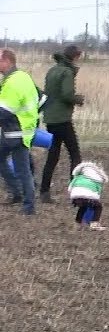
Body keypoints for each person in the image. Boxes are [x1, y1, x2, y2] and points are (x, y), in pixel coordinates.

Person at [39, 45, 85, 203]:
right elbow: (67, 94)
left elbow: (48, 93)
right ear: (75, 57)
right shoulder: (67, 72)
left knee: (53, 156)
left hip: (50, 118)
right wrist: (78, 99)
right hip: (62, 119)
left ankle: (44, 191)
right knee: (75, 155)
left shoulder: (52, 70)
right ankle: (76, 193)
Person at [0, 48, 39, 215]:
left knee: (23, 170)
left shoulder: (12, 82)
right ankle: (17, 194)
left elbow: (4, 111)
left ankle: (28, 206)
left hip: (16, 132)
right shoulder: (23, 77)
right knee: (20, 167)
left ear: (7, 61)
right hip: (22, 130)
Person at [67, 161, 108, 231]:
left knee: (82, 207)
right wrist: (96, 199)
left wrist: (72, 195)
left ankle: (77, 224)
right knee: (98, 207)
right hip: (89, 195)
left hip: (76, 194)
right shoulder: (98, 178)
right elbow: (98, 191)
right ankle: (94, 224)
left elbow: (70, 186)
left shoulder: (79, 176)